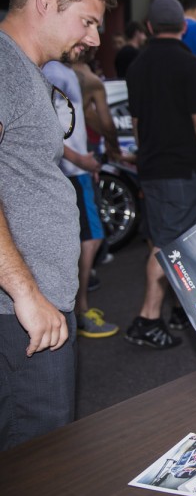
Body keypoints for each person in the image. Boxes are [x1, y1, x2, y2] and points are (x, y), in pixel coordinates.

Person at [0, 0, 116, 449]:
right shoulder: (4, 67)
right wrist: (27, 295)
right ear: (45, 2)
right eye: (87, 22)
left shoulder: (24, 72)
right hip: (20, 312)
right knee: (40, 461)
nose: (93, 38)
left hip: (34, 304)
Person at [125, 0, 196, 349]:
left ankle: (170, 313)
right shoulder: (191, 66)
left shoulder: (136, 66)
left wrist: (145, 156)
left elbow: (137, 123)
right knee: (170, 248)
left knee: (160, 241)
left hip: (151, 168)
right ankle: (147, 318)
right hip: (181, 170)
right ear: (184, 28)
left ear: (150, 27)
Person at [42, 60, 118, 339]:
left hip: (75, 170)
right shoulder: (51, 71)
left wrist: (87, 160)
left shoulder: (63, 70)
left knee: (83, 240)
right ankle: (79, 311)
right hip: (71, 171)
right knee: (90, 239)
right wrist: (81, 161)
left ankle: (73, 310)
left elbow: (75, 120)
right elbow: (44, 127)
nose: (90, 39)